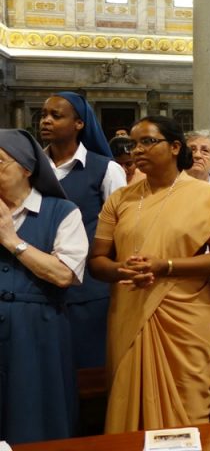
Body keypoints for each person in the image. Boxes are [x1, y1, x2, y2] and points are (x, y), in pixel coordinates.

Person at [89, 116, 210, 432]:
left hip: (186, 315)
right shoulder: (121, 199)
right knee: (129, 405)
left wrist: (166, 266)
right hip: (130, 310)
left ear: (175, 147)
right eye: (133, 143)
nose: (137, 150)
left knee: (190, 403)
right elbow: (97, 260)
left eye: (147, 141)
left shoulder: (208, 196)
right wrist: (122, 269)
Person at [0, 129, 88, 444]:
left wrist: (12, 241)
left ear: (27, 168)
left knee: (36, 417)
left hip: (38, 332)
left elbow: (64, 274)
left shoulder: (62, 212)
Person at [39, 92, 127, 372]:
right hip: (38, 288)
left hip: (89, 290)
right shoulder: (30, 167)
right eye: (43, 115)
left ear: (79, 124)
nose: (46, 121)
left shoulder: (106, 170)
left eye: (56, 116)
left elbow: (122, 230)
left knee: (89, 374)